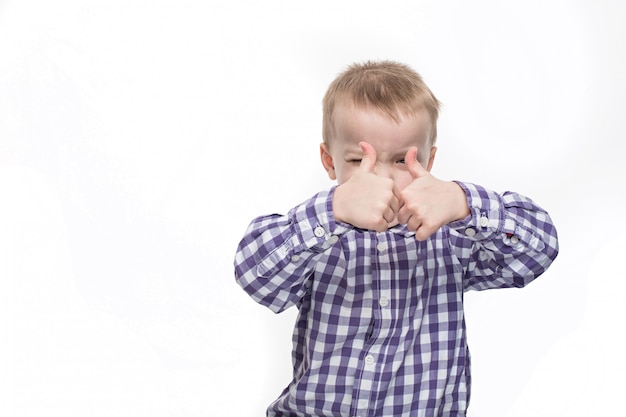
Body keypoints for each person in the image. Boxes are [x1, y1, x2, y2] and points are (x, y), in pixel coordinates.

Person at [234, 60, 559, 417]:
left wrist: (464, 201)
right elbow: (254, 274)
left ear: (429, 160)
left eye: (403, 161)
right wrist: (333, 208)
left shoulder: (451, 236)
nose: (383, 177)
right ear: (329, 161)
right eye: (359, 160)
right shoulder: (320, 236)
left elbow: (538, 250)